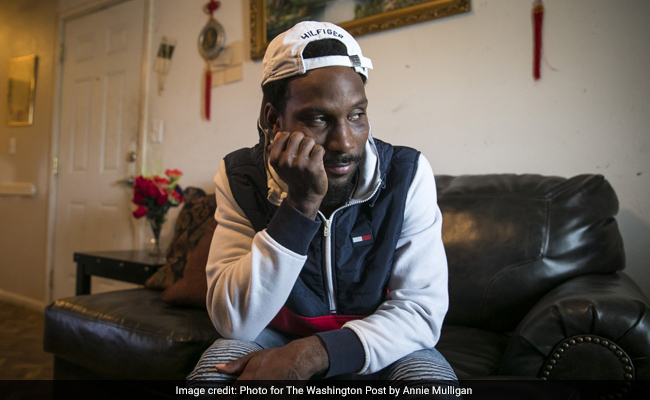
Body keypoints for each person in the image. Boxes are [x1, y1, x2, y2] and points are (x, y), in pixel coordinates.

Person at [189, 20, 457, 385]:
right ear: (274, 120)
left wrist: (317, 353)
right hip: (273, 337)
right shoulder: (240, 178)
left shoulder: (406, 174)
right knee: (211, 379)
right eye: (318, 119)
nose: (345, 142)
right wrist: (299, 206)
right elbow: (234, 323)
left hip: (381, 342)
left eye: (356, 115)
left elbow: (421, 311)